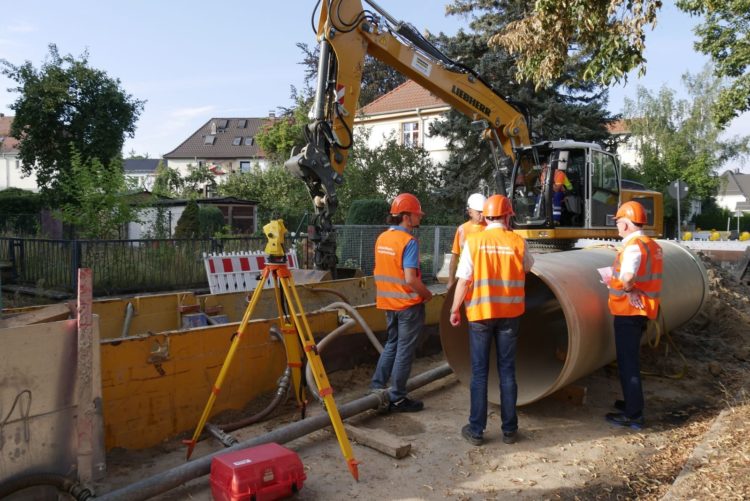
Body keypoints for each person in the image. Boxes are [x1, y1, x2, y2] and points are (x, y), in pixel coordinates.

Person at [449, 194, 534, 445]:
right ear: (508, 216)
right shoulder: (518, 242)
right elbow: (528, 268)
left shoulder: (474, 242)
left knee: (479, 373)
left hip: (480, 316)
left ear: (485, 216)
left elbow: (464, 280)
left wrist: (455, 309)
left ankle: (476, 430)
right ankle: (510, 430)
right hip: (509, 315)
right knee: (507, 371)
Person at [370, 193, 434, 412]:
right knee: (404, 350)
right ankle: (397, 397)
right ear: (406, 217)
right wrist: (426, 294)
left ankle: (377, 387)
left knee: (392, 344)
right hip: (407, 305)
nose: (420, 218)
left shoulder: (382, 238)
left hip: (388, 302)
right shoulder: (409, 241)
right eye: (417, 215)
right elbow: (410, 278)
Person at [604, 200, 663, 430]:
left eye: (618, 222)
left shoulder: (633, 247)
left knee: (628, 363)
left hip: (629, 311)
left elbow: (628, 277)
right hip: (644, 311)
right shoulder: (652, 245)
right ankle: (631, 402)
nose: (617, 227)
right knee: (630, 359)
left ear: (627, 224)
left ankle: (633, 415)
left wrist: (630, 288)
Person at [447, 193, 487, 290]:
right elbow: (455, 256)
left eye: (484, 211)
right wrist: (451, 280)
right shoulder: (462, 229)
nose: (482, 215)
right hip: (465, 278)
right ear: (470, 212)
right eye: (479, 212)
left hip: (484, 278)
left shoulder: (489, 228)